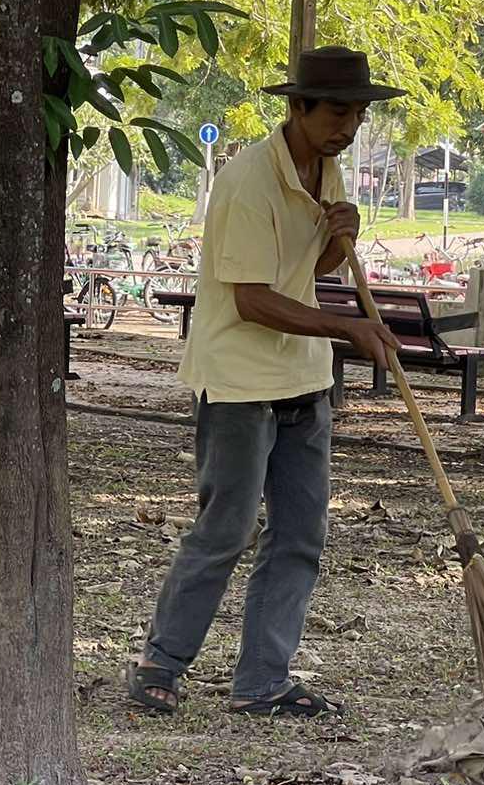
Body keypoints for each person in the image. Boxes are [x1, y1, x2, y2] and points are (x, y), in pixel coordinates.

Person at [130, 47, 403, 720]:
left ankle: (263, 681)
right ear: (298, 107)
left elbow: (316, 269)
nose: (349, 125)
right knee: (224, 529)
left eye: (359, 114)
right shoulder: (249, 180)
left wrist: (344, 233)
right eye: (338, 110)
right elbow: (252, 299)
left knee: (300, 534)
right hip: (240, 381)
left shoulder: (329, 171)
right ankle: (160, 667)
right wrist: (350, 332)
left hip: (302, 380)